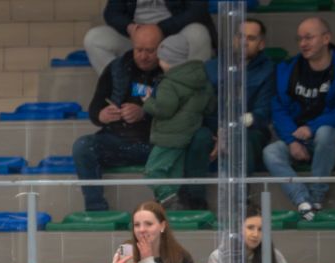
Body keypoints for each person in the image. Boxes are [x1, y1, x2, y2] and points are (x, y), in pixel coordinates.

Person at [183, 18, 276, 210]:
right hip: (212, 127)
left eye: (251, 38)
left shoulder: (268, 70)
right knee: (199, 137)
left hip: (249, 130)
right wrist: (218, 129)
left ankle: (241, 202)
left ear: (261, 44)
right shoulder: (212, 67)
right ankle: (195, 203)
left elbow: (262, 112)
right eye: (240, 36)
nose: (244, 42)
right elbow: (200, 105)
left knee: (240, 138)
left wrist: (231, 127)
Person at [73, 23, 164, 212]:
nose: (143, 56)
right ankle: (96, 209)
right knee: (83, 146)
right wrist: (102, 115)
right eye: (139, 50)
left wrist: (144, 113)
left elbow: (176, 112)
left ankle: (166, 205)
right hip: (117, 139)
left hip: (155, 143)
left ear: (161, 48)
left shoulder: (168, 70)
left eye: (150, 51)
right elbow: (95, 108)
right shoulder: (117, 68)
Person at [263, 17, 335, 221]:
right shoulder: (287, 69)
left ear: (326, 38)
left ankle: (317, 197)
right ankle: (303, 201)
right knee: (271, 152)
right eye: (299, 39)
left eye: (309, 37)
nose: (303, 43)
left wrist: (311, 128)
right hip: (299, 138)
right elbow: (278, 107)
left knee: (324, 133)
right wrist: (291, 141)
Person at [141, 34, 214, 209]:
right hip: (186, 135)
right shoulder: (201, 79)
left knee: (153, 172)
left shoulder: (169, 83)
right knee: (173, 174)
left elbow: (163, 110)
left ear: (167, 60)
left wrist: (148, 102)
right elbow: (209, 107)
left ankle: (168, 200)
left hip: (168, 136)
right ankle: (173, 208)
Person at [84, 0, 214, 76]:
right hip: (137, 37)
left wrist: (161, 29)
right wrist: (130, 27)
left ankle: (189, 94)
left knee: (198, 33)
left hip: (173, 35)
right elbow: (111, 12)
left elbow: (198, 10)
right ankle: (123, 91)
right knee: (94, 38)